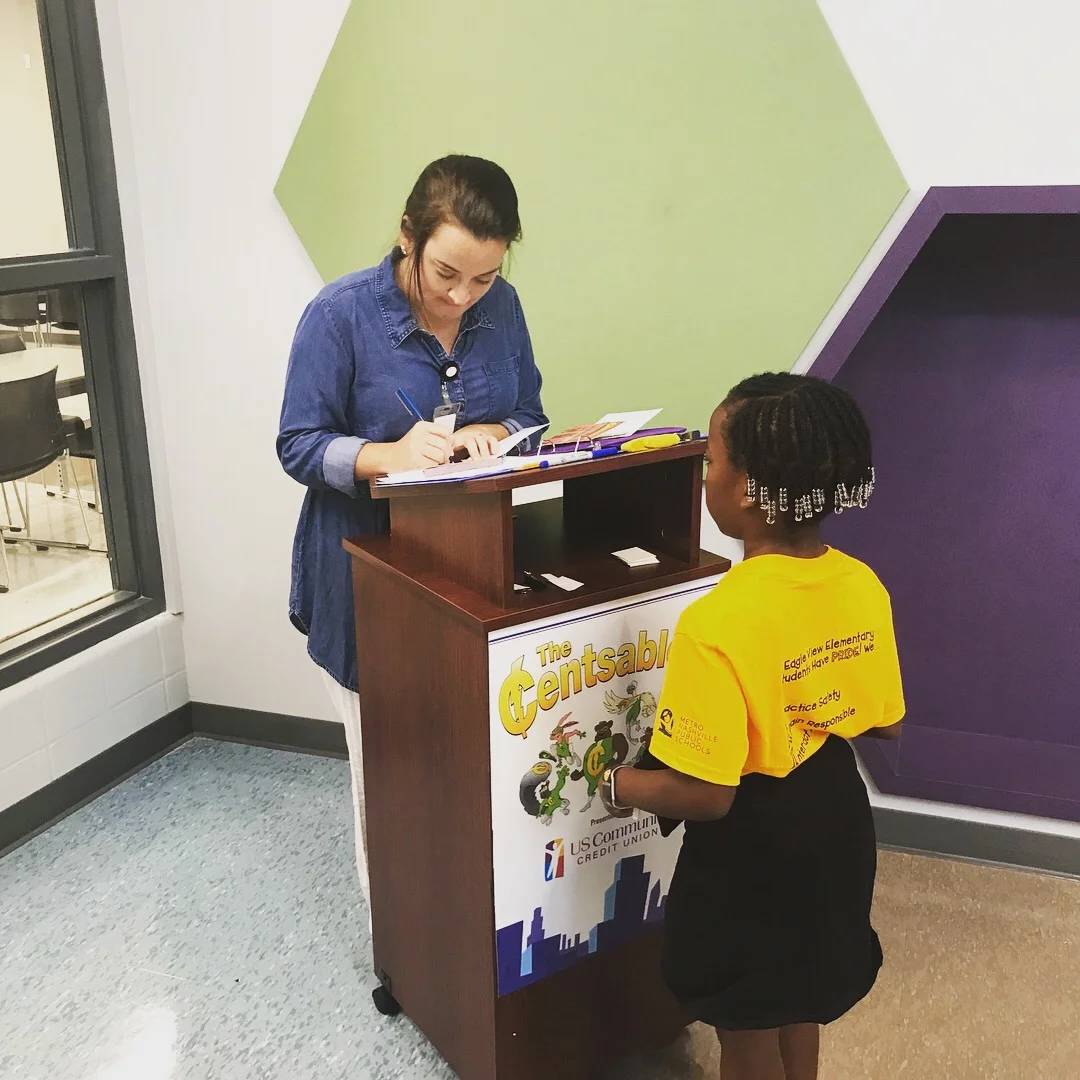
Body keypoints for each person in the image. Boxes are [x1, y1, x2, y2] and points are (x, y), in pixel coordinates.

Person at [600, 373, 904, 1080]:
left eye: (710, 460)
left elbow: (708, 795)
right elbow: (886, 723)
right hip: (837, 815)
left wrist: (618, 783)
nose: (704, 474)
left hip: (754, 845)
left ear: (744, 491)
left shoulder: (717, 622)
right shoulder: (862, 582)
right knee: (800, 996)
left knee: (745, 1019)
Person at [277, 155, 548, 915]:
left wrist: (497, 433)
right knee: (388, 773)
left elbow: (530, 411)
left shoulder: (504, 308)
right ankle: (399, 938)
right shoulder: (340, 315)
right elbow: (297, 444)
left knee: (463, 761)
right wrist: (384, 456)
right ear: (408, 236)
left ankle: (461, 923)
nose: (462, 296)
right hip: (368, 579)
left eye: (483, 278)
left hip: (469, 569)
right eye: (446, 273)